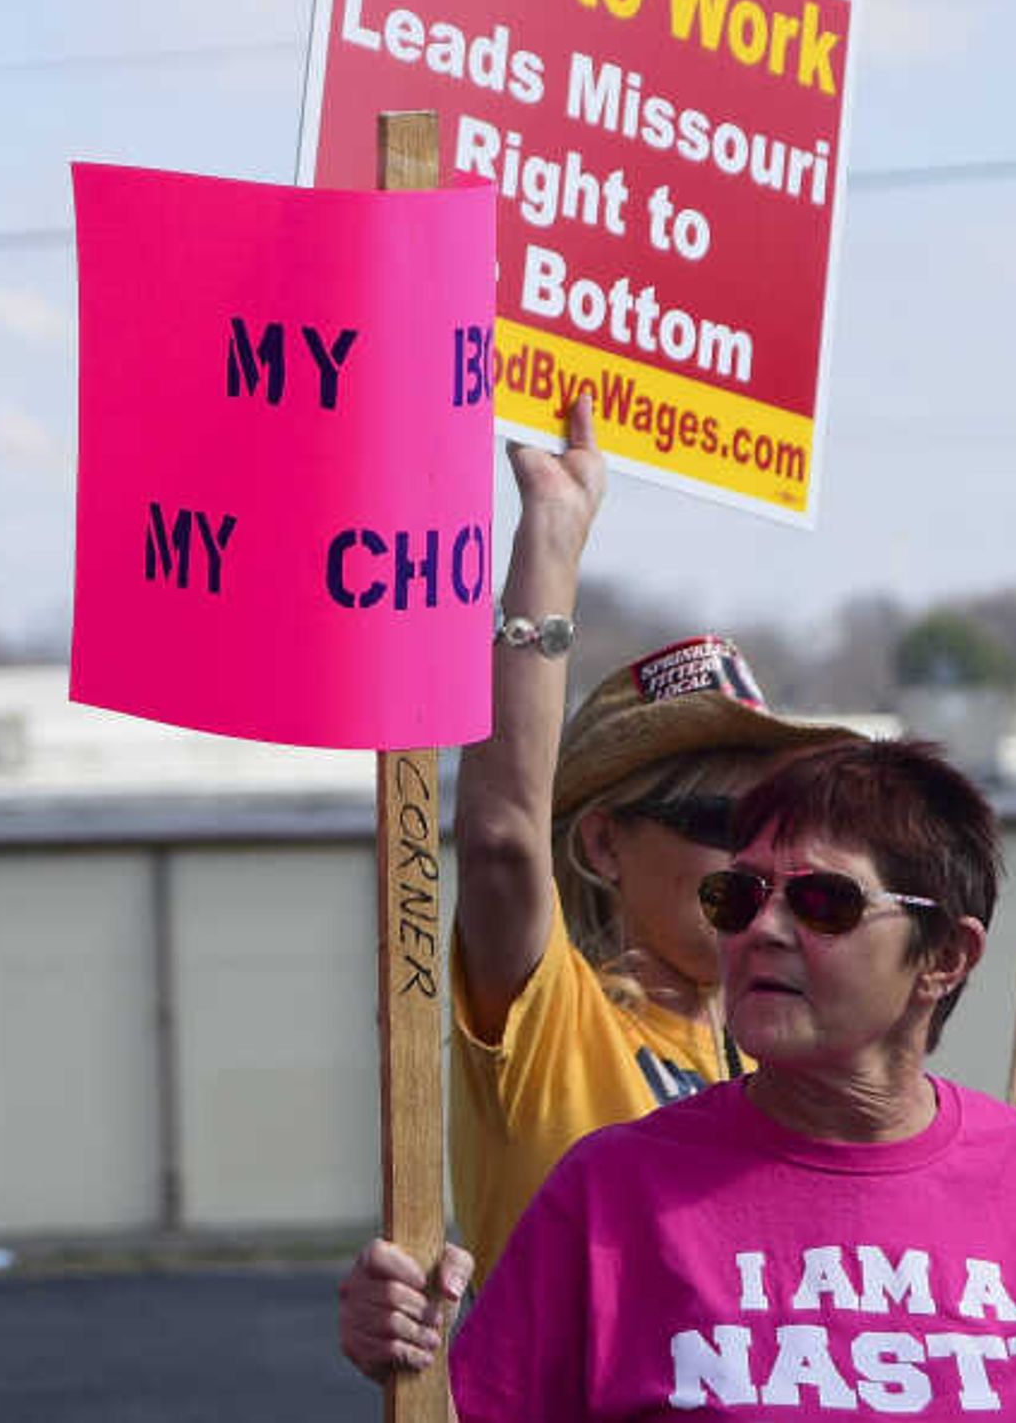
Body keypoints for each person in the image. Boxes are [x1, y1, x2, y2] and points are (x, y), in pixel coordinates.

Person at [434, 736, 1016, 1421]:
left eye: (821, 899)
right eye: (740, 893)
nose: (762, 927)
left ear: (944, 957)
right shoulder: (614, 1191)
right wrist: (406, 1351)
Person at [337, 394, 867, 1376]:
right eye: (723, 823)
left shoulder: (812, 1067)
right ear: (603, 845)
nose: (764, 863)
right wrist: (552, 527)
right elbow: (499, 840)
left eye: (783, 824)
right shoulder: (553, 1022)